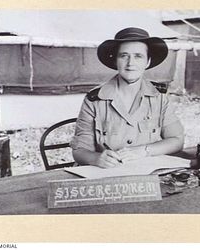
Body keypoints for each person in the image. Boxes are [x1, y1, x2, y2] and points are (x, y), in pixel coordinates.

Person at [70, 27, 184, 168]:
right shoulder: (95, 99)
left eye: (138, 56)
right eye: (124, 56)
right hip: (107, 174)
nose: (130, 63)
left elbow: (177, 140)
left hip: (145, 172)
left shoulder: (159, 97)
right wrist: (96, 158)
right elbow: (79, 151)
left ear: (147, 62)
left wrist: (144, 151)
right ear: (115, 61)